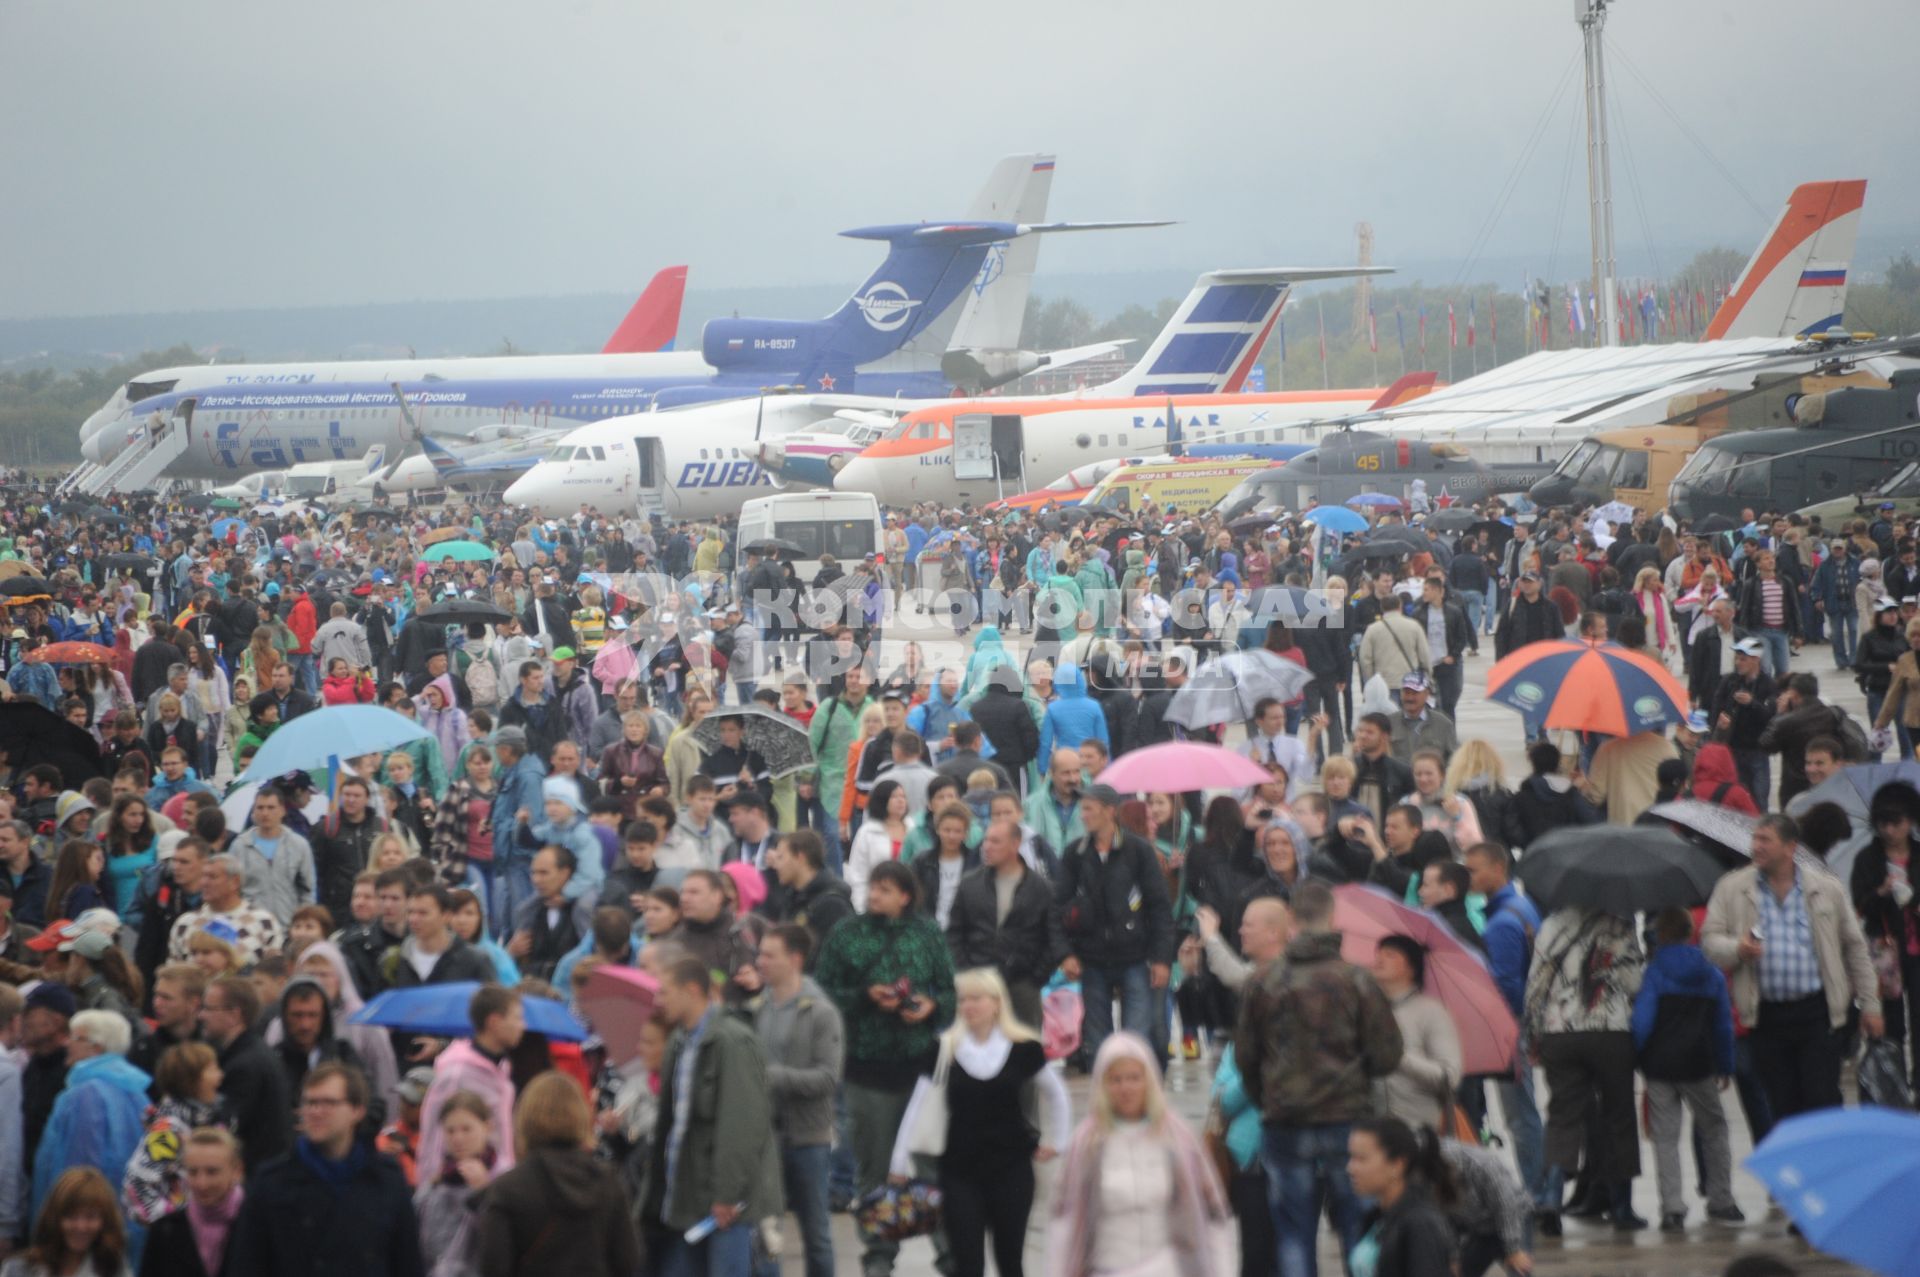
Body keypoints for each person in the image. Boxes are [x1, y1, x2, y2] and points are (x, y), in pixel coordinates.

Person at [1237, 879, 1403, 1277]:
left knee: (1293, 1233)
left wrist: (1269, 1098)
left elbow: (1246, 1057)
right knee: (1355, 1227)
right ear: (1333, 919)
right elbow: (1387, 1056)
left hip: (1284, 1121)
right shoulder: (1357, 980)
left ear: (1291, 919)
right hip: (1348, 1121)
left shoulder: (1262, 982)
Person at [812, 860, 955, 1277]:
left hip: (920, 1072)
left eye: (885, 889)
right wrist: (865, 996)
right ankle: (878, 1259)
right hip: (865, 1071)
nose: (874, 895)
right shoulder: (847, 934)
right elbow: (824, 990)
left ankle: (950, 1258)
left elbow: (949, 989)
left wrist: (931, 1007)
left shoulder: (927, 933)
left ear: (905, 896)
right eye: (873, 887)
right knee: (872, 1173)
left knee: (928, 1169)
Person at [888, 967, 1070, 1277]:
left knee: (1010, 1261)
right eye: (963, 1000)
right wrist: (899, 1161)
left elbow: (1057, 1095)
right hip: (960, 1170)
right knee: (967, 1264)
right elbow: (917, 1104)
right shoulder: (943, 1048)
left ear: (997, 1002)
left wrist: (1060, 1141)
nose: (968, 1006)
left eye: (977, 999)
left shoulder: (1023, 1047)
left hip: (1011, 1168)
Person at [1704, 812, 1882, 1122]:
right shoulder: (1732, 887)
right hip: (1767, 1017)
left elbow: (1855, 948)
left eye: (1765, 840)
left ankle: (1823, 1169)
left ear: (1789, 847)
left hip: (1817, 1014)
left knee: (1821, 1101)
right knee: (1781, 1107)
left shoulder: (1826, 889)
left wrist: (1871, 1006)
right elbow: (1709, 943)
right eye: (1755, 839)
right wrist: (1738, 949)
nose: (1756, 846)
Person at [1044, 1032, 1233, 1277]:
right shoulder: (1086, 1143)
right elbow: (1064, 1219)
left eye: (1134, 1078)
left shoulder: (1178, 1137)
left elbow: (1213, 1213)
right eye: (1116, 1079)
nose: (1126, 1088)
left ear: (1150, 1080)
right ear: (1102, 1085)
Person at [644, 954, 779, 1276]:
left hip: (725, 1206)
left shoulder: (732, 1042)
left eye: (664, 992)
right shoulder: (679, 1042)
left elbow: (741, 1126)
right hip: (685, 1196)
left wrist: (728, 1195)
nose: (657, 1000)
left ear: (691, 990)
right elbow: (671, 1125)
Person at [229, 1062, 424, 1277]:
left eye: (328, 1103)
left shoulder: (387, 1181)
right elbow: (248, 1264)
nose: (316, 1112)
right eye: (310, 1103)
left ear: (357, 1110)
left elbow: (407, 1263)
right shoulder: (272, 1183)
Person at [1524, 904, 1647, 1232]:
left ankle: (1551, 1197)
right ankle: (1622, 1208)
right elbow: (1634, 982)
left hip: (1560, 1031)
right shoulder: (1621, 923)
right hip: (1610, 1032)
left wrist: (1532, 1035)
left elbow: (1536, 983)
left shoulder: (1552, 923)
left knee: (1563, 1115)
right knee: (1619, 1115)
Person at [1632, 907, 1742, 1232]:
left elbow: (1642, 1021)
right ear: (1689, 932)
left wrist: (1637, 1056)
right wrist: (1725, 1064)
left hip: (1660, 1066)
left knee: (1665, 1137)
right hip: (1700, 1064)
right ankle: (1722, 1199)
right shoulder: (1710, 973)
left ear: (1660, 934)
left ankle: (1672, 1208)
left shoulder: (1654, 972)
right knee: (1714, 1128)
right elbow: (1722, 1024)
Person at [474, 1071, 642, 1277]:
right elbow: (628, 1260)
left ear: (524, 1118)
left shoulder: (507, 1189)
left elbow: (493, 1267)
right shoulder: (607, 1181)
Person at [1055, 783, 1174, 1065]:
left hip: (1135, 956)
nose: (1082, 815)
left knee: (1136, 1042)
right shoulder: (1075, 854)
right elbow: (1057, 908)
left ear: (1109, 811)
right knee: (1098, 1046)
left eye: (1088, 809)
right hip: (1091, 958)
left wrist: (1161, 958)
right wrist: (1065, 954)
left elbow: (1159, 908)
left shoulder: (1139, 852)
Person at [750, 925, 843, 1277]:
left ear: (795, 960)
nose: (761, 961)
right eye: (760, 954)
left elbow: (827, 1078)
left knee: (816, 1234)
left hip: (808, 1139)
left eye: (769, 955)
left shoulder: (820, 1012)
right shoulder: (758, 1008)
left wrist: (772, 1076)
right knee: (765, 1230)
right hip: (765, 1138)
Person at [31, 1010, 151, 1230]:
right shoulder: (136, 1090)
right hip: (123, 1218)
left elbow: (81, 1161)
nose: (67, 1043)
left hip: (79, 1222)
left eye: (76, 1038)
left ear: (97, 1047)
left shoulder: (86, 1094)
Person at [944, 818, 1065, 1030]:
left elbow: (1052, 936)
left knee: (1026, 1053)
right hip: (978, 982)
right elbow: (954, 934)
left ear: (1015, 844)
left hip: (1022, 984)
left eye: (995, 842)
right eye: (986, 841)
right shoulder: (969, 885)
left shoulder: (1040, 889)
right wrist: (966, 971)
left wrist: (1036, 977)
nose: (986, 847)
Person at [417, 985, 525, 1178]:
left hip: (495, 1184)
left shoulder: (501, 1068)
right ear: (494, 1022)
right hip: (458, 1192)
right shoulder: (457, 1075)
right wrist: (431, 1186)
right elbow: (435, 1135)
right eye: (517, 1018)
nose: (522, 1026)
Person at [121, 1040, 224, 1227]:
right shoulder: (167, 1130)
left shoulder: (209, 1122)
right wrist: (172, 1223)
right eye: (212, 1069)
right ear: (192, 1080)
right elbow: (136, 1184)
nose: (220, 1076)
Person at [1343, 1118, 1459, 1277]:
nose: (1350, 1168)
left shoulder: (1420, 1224)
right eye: (1351, 1157)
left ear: (1397, 1165)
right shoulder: (1377, 1218)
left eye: (1362, 1159)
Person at [197, 974, 291, 1170]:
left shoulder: (244, 1067)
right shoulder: (251, 1053)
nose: (201, 1016)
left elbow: (225, 1130)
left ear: (234, 1015)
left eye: (208, 1008)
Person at [1372, 936, 1462, 1134]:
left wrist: (1399, 1057)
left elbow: (1449, 1076)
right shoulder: (1367, 1010)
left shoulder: (1432, 1012)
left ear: (1411, 967)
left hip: (1418, 1130)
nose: (1378, 960)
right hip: (1371, 1132)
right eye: (1378, 954)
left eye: (1390, 955)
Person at [136, 1127, 245, 1277]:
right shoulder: (165, 1231)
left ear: (237, 1171)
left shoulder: (259, 1227)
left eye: (212, 1172)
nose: (202, 1183)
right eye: (193, 1172)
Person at [411, 1089, 497, 1277]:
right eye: (450, 1131)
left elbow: (501, 1243)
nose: (458, 1138)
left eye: (467, 1129)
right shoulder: (431, 1190)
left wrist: (483, 1193)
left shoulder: (502, 1181)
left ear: (487, 1127)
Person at [3, 1166, 128, 1277]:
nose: (81, 1227)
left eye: (90, 1217)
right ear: (55, 1217)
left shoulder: (115, 1270)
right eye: (71, 1216)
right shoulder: (18, 1270)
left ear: (105, 1220)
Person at [225, 787, 316, 930]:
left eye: (271, 807)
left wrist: (304, 923)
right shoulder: (240, 846)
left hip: (289, 927)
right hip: (251, 929)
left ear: (282, 810)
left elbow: (308, 890)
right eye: (260, 808)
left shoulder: (299, 845)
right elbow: (230, 889)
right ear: (253, 811)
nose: (265, 813)